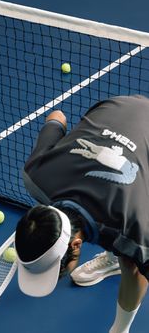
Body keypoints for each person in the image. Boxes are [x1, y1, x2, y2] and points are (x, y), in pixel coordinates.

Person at [14, 94, 149, 333]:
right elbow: (57, 117)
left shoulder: (133, 227)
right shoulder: (37, 175)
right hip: (116, 106)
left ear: (76, 245)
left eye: (58, 270)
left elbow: (139, 273)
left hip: (135, 131)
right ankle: (112, 259)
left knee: (132, 262)